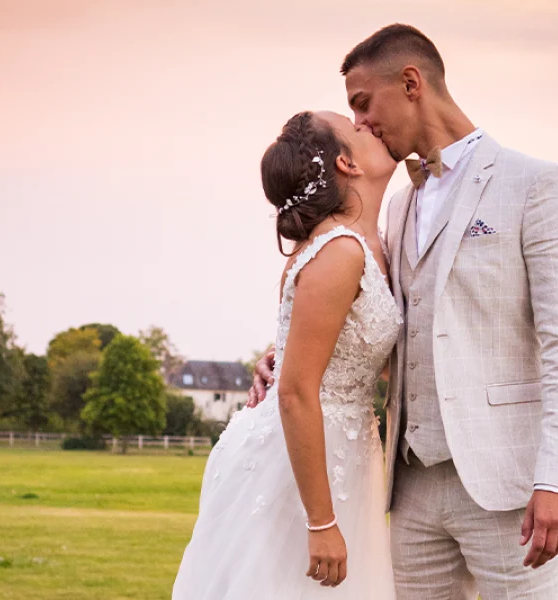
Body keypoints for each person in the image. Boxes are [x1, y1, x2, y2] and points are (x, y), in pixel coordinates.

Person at [250, 24, 558, 599]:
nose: (360, 123)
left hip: (507, 487)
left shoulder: (532, 184)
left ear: (411, 83)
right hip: (408, 488)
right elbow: (383, 325)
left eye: (363, 104)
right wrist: (288, 357)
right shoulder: (396, 205)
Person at [172, 110, 401, 599]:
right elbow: (296, 391)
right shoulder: (339, 251)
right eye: (356, 129)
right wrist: (321, 522)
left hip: (345, 451)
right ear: (347, 164)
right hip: (299, 460)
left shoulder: (370, 243)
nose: (369, 126)